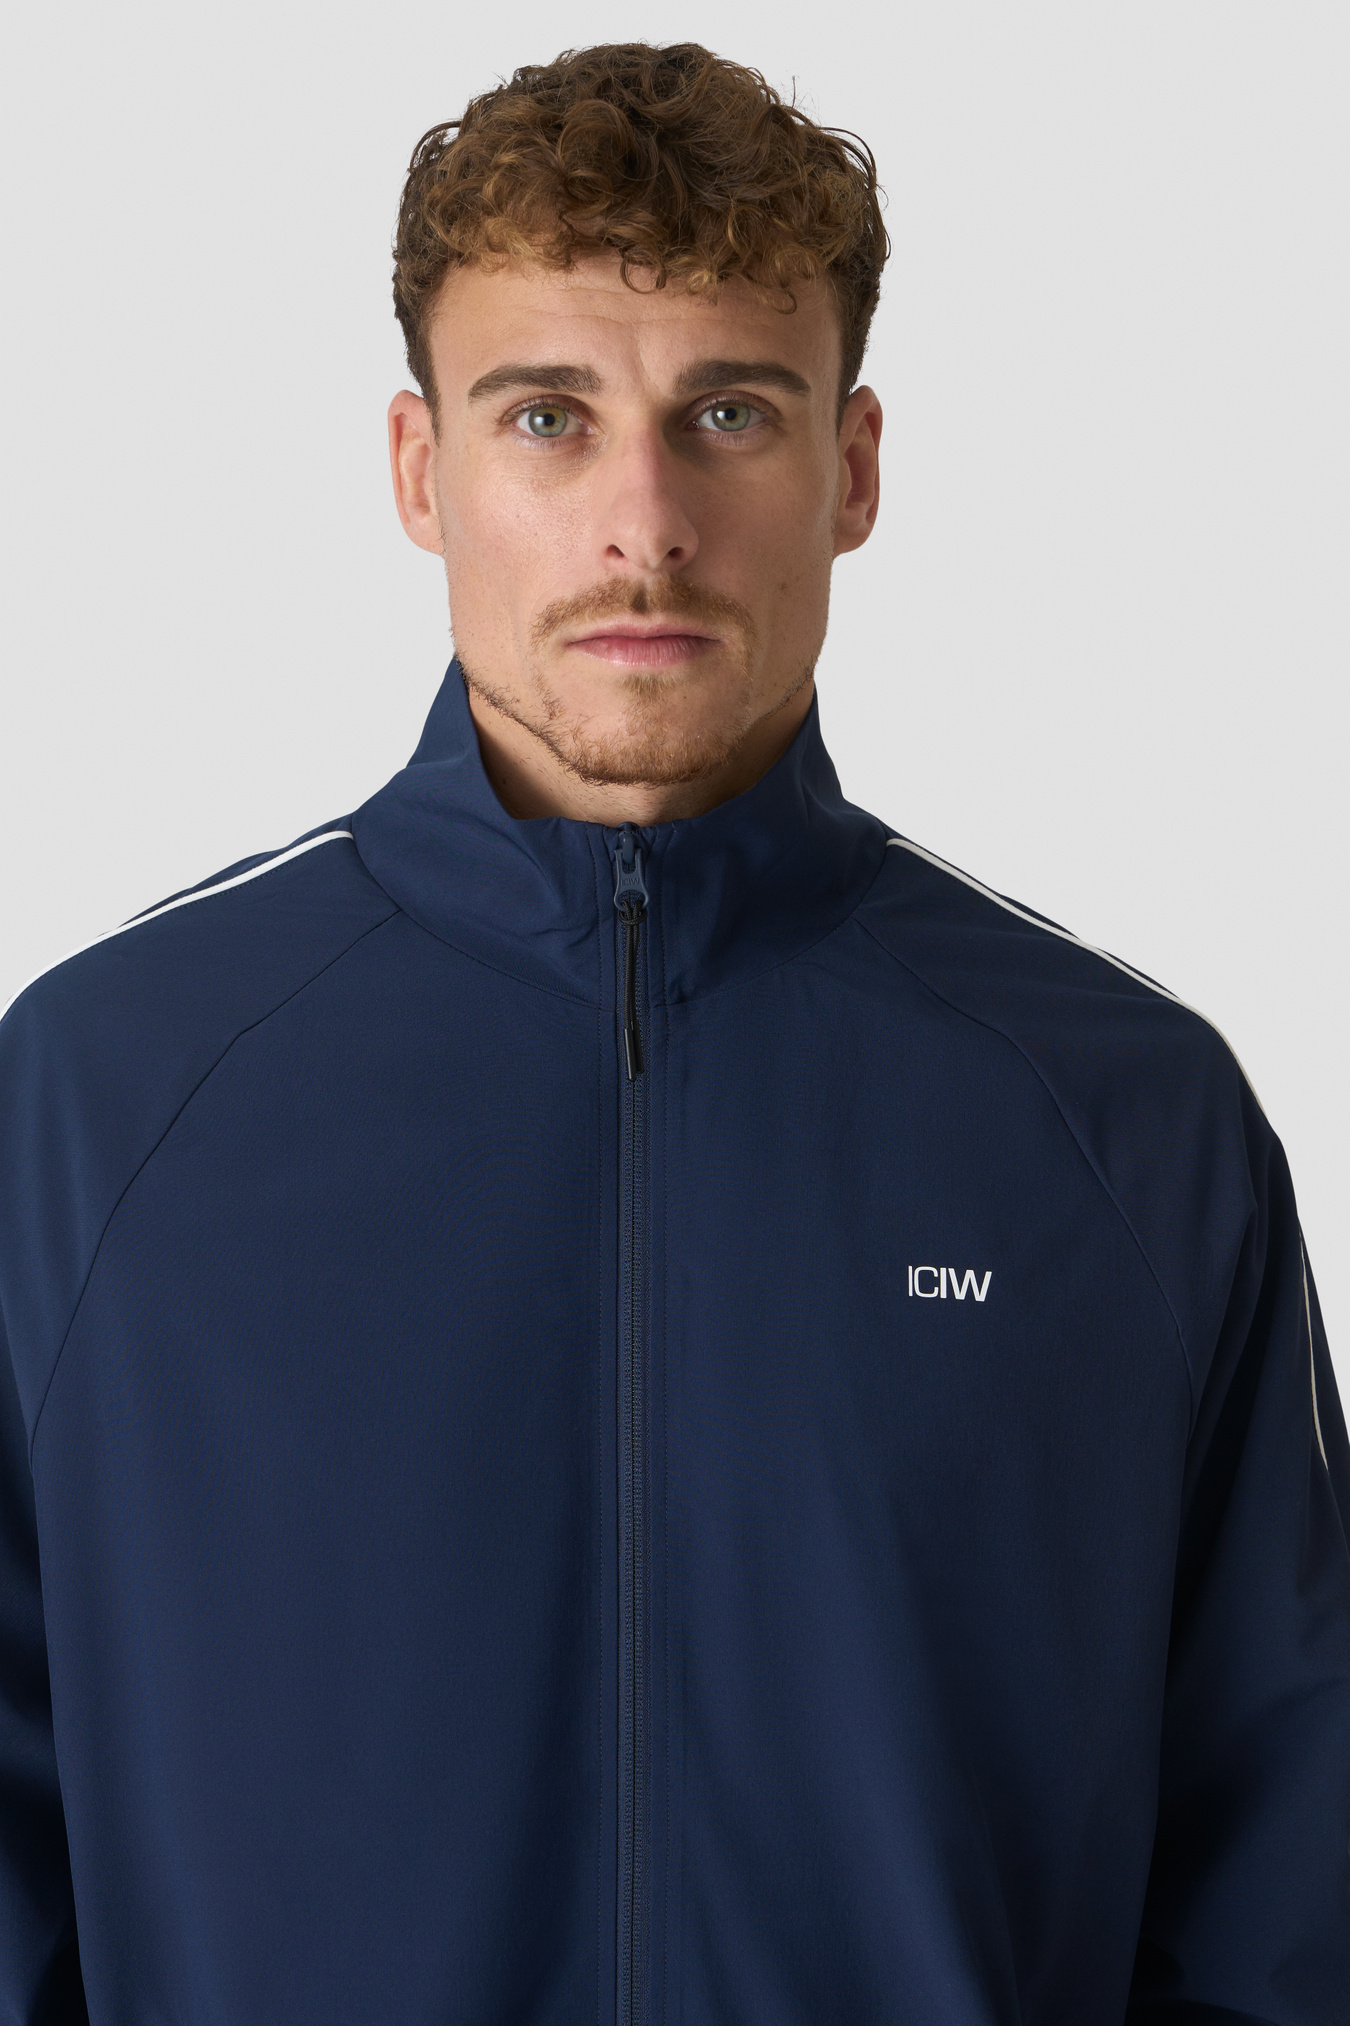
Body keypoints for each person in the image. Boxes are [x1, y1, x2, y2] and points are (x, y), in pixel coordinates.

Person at [1, 39, 1347, 2025]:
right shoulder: (97, 1103)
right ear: (420, 469)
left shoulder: (1127, 1124)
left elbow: (1285, 1913)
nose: (644, 520)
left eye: (728, 411)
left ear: (852, 466)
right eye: (548, 415)